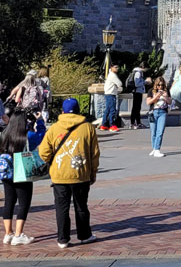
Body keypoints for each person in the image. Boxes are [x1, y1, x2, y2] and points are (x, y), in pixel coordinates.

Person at [38, 99, 100, 248]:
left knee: (61, 207)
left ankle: (63, 239)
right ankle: (84, 235)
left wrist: (50, 160)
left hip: (59, 175)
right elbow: (94, 153)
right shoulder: (88, 128)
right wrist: (93, 172)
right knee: (81, 206)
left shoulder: (54, 128)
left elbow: (43, 152)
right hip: (81, 174)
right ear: (78, 110)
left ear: (63, 111)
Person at [1, 110, 46, 244]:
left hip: (6, 172)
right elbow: (41, 135)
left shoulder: (4, 135)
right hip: (22, 173)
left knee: (9, 202)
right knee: (23, 204)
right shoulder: (28, 137)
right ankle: (18, 235)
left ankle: (8, 233)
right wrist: (40, 121)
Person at [146, 76, 171, 157]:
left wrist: (165, 96)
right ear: (155, 85)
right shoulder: (151, 91)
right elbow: (148, 102)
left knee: (160, 132)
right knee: (153, 132)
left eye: (162, 85)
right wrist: (156, 97)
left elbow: (170, 102)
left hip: (162, 112)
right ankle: (154, 148)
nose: (160, 87)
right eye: (158, 85)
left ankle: (157, 149)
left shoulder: (166, 91)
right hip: (153, 112)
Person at [101, 64, 123, 132]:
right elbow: (120, 84)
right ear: (111, 67)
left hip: (108, 94)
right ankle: (112, 125)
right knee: (112, 110)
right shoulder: (113, 75)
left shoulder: (110, 75)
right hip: (111, 94)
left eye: (118, 67)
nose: (117, 68)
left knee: (107, 110)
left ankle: (104, 125)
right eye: (115, 67)